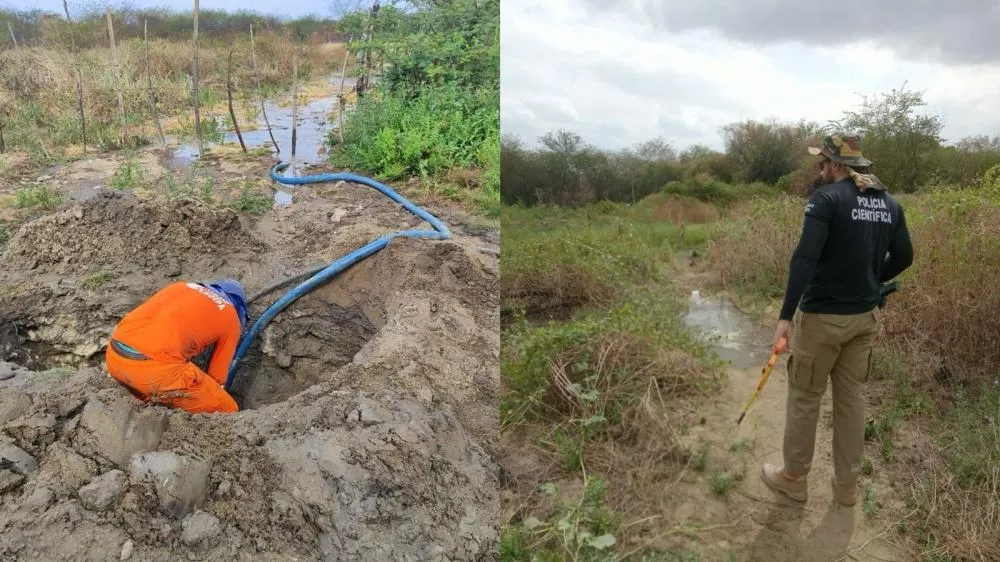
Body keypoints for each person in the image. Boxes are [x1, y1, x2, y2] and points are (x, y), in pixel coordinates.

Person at [761, 134, 913, 507]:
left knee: (805, 397)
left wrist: (785, 317)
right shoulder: (890, 204)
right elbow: (905, 256)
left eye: (822, 163)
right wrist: (872, 280)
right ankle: (846, 488)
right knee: (851, 401)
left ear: (835, 165)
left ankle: (793, 479)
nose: (820, 169)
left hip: (821, 322)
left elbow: (805, 258)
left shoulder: (825, 200)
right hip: (864, 320)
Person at [105, 279, 248, 414]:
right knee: (228, 409)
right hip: (152, 374)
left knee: (152, 401)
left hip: (114, 356)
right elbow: (217, 377)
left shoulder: (180, 286)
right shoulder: (231, 317)